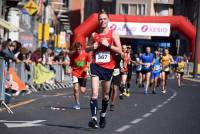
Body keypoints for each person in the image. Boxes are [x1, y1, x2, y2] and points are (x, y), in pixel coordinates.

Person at [86, 9, 122, 128]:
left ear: (108, 20)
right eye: (100, 19)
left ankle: (102, 115)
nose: (102, 21)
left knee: (106, 95)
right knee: (95, 93)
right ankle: (94, 118)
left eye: (104, 19)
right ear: (98, 21)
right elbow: (86, 48)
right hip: (96, 66)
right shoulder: (94, 34)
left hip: (109, 67)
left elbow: (120, 51)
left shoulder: (113, 34)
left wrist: (109, 45)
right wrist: (92, 46)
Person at [69, 42, 90, 110]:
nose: (78, 50)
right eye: (77, 49)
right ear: (75, 49)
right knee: (75, 89)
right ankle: (77, 104)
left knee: (83, 91)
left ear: (81, 48)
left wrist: (87, 67)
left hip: (83, 74)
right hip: (75, 73)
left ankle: (83, 90)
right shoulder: (73, 55)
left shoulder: (86, 54)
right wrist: (70, 69)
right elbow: (71, 64)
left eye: (79, 49)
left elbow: (88, 61)